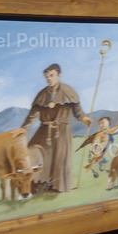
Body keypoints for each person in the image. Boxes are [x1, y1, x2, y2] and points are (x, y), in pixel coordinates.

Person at [22, 63, 91, 194]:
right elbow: (31, 116)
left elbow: (78, 112)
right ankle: (37, 185)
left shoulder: (68, 91)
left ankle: (57, 187)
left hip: (61, 132)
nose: (49, 79)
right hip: (44, 132)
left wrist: (84, 119)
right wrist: (23, 129)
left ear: (59, 76)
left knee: (59, 160)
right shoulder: (42, 94)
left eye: (52, 76)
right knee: (33, 154)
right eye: (47, 76)